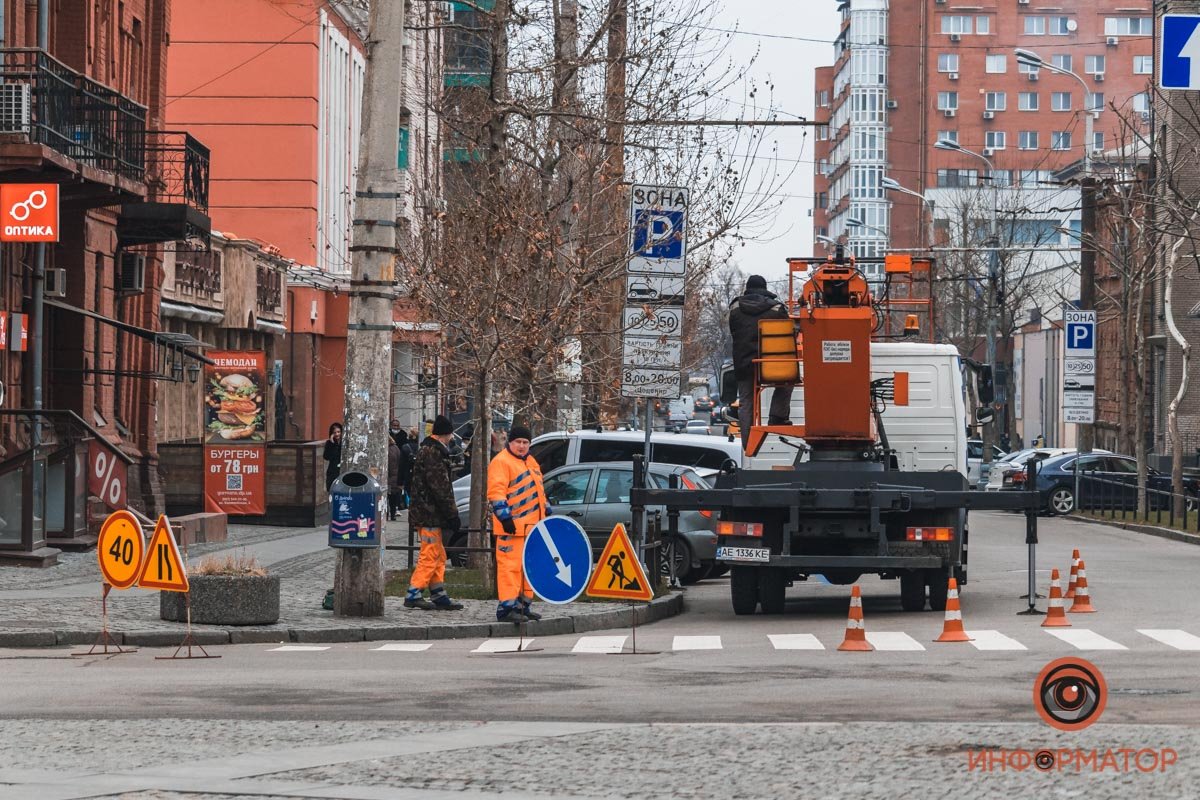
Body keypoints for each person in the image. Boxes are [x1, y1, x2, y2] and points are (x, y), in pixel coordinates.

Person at [487, 424, 548, 623]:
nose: (522, 446)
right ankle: (506, 608)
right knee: (509, 568)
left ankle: (523, 606)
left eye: (525, 442)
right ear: (510, 442)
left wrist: (546, 508)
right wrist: (505, 517)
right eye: (518, 442)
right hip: (511, 527)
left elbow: (538, 488)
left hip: (532, 527)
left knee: (528, 569)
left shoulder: (531, 461)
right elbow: (496, 491)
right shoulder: (501, 462)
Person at [403, 415, 465, 611]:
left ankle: (438, 593)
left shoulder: (428, 451)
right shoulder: (434, 453)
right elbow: (441, 487)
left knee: (438, 553)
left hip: (427, 512)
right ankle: (414, 592)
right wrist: (452, 514)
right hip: (430, 513)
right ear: (446, 434)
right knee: (430, 554)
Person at [728, 274, 794, 447]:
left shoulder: (735, 308)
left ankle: (748, 442)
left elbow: (734, 331)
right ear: (765, 289)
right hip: (771, 365)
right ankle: (777, 417)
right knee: (787, 382)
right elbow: (788, 333)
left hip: (744, 363)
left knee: (746, 400)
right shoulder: (777, 308)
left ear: (747, 288)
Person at [322, 422, 343, 491]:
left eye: (338, 432)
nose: (337, 434)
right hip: (333, 471)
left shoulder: (345, 442)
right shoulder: (329, 443)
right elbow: (326, 457)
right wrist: (332, 444)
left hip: (342, 470)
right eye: (334, 432)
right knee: (332, 490)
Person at [387, 436, 403, 521]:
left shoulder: (389, 450)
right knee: (393, 498)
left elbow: (390, 466)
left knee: (388, 497)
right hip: (396, 476)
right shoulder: (396, 448)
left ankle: (387, 515)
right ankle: (393, 515)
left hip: (390, 477)